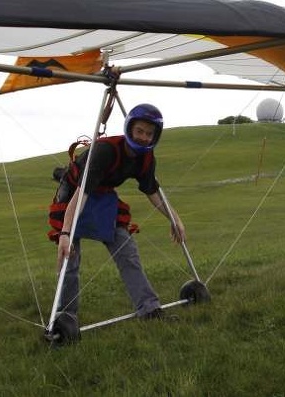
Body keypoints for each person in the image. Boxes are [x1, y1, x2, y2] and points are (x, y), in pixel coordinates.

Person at [47, 103, 186, 333]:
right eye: (139, 131)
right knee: (70, 256)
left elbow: (152, 191)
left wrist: (175, 219)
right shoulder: (106, 151)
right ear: (130, 129)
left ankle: (149, 309)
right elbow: (81, 195)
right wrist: (65, 233)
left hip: (102, 196)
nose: (143, 137)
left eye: (149, 133)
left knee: (127, 251)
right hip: (75, 193)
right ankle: (65, 318)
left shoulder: (145, 158)